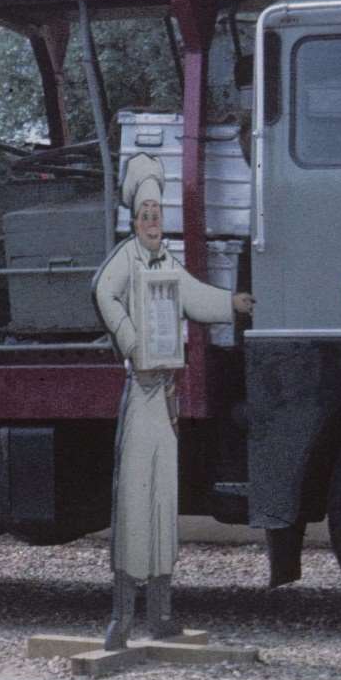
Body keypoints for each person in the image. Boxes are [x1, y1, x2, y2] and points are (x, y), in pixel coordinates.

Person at [90, 154, 253, 650]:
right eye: (145, 215)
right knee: (134, 502)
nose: (152, 222)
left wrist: (231, 303)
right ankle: (122, 618)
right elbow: (104, 295)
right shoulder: (126, 258)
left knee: (163, 502)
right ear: (135, 219)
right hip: (141, 392)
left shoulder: (166, 263)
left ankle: (160, 614)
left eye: (157, 214)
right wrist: (133, 344)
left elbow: (194, 296)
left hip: (166, 395)